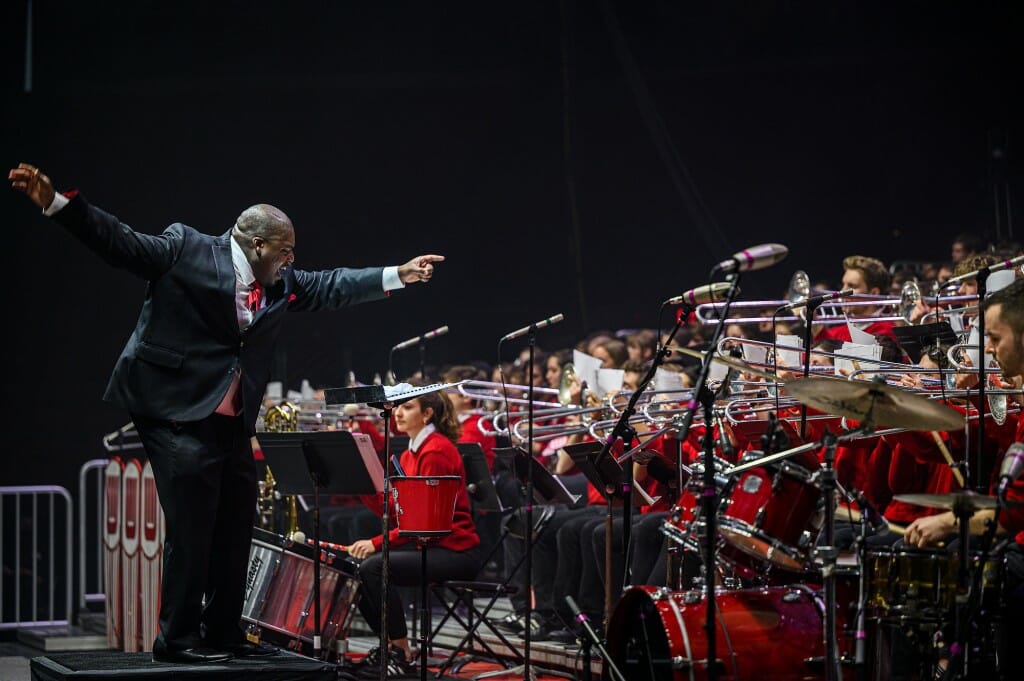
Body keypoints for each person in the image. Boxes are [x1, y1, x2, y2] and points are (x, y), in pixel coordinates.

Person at [8, 162, 445, 664]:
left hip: (228, 420)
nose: (292, 261)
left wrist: (399, 274)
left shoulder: (280, 283)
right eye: (286, 252)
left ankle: (221, 631)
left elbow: (331, 285)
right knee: (193, 524)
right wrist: (57, 204)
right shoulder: (187, 248)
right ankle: (176, 638)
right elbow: (121, 243)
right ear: (257, 245)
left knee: (236, 524)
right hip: (173, 409)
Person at [347, 390, 480, 677]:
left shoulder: (435, 451)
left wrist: (375, 543)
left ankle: (400, 650)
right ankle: (391, 648)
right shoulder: (411, 451)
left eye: (407, 407)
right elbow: (398, 513)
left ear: (427, 413)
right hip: (429, 545)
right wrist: (362, 482)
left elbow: (424, 523)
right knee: (356, 572)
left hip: (455, 551)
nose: (398, 413)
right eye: (397, 407)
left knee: (373, 567)